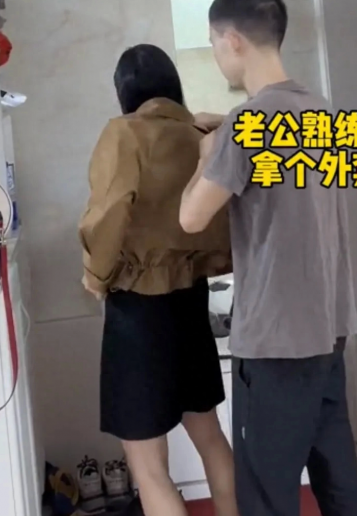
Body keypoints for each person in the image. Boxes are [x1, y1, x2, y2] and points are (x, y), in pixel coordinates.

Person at [180, 0, 357, 516]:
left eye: (214, 43)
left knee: (265, 494)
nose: (217, 55)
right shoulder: (324, 112)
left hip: (274, 342)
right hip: (329, 327)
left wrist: (207, 153)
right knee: (338, 478)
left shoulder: (245, 126)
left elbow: (191, 218)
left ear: (233, 40)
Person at [80, 44, 238, 516]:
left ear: (124, 91)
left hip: (138, 309)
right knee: (210, 436)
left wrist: (95, 276)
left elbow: (108, 213)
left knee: (147, 465)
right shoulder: (201, 134)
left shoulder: (124, 132)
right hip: (190, 300)